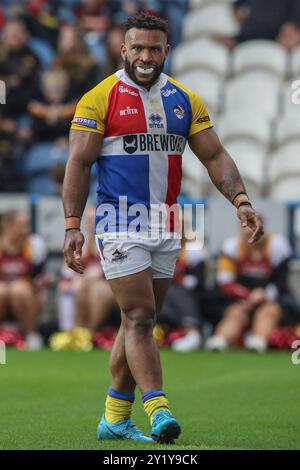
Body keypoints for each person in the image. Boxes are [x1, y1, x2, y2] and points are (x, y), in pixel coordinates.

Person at [62, 13, 263, 444]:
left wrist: (241, 201)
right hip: (119, 221)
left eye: (154, 48)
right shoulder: (99, 98)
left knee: (134, 323)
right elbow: (78, 164)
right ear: (123, 49)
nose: (146, 56)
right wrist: (73, 225)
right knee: (140, 317)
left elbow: (215, 157)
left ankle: (115, 418)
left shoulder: (185, 100)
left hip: (167, 222)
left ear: (167, 50)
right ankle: (159, 408)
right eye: (138, 48)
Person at [206, 227, 295, 353]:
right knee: (235, 313)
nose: (253, 238)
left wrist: (263, 295)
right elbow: (225, 282)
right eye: (249, 234)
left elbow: (280, 281)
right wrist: (247, 296)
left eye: (256, 233)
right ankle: (221, 340)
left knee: (268, 312)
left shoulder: (277, 246)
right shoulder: (231, 247)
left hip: (271, 298)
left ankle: (258, 340)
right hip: (240, 299)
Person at [0, 210, 48, 351]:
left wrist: (43, 281)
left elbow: (39, 275)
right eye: (22, 226)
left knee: (18, 289)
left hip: (27, 296)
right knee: (1, 290)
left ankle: (32, 335)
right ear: (8, 226)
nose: (26, 230)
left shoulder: (34, 244)